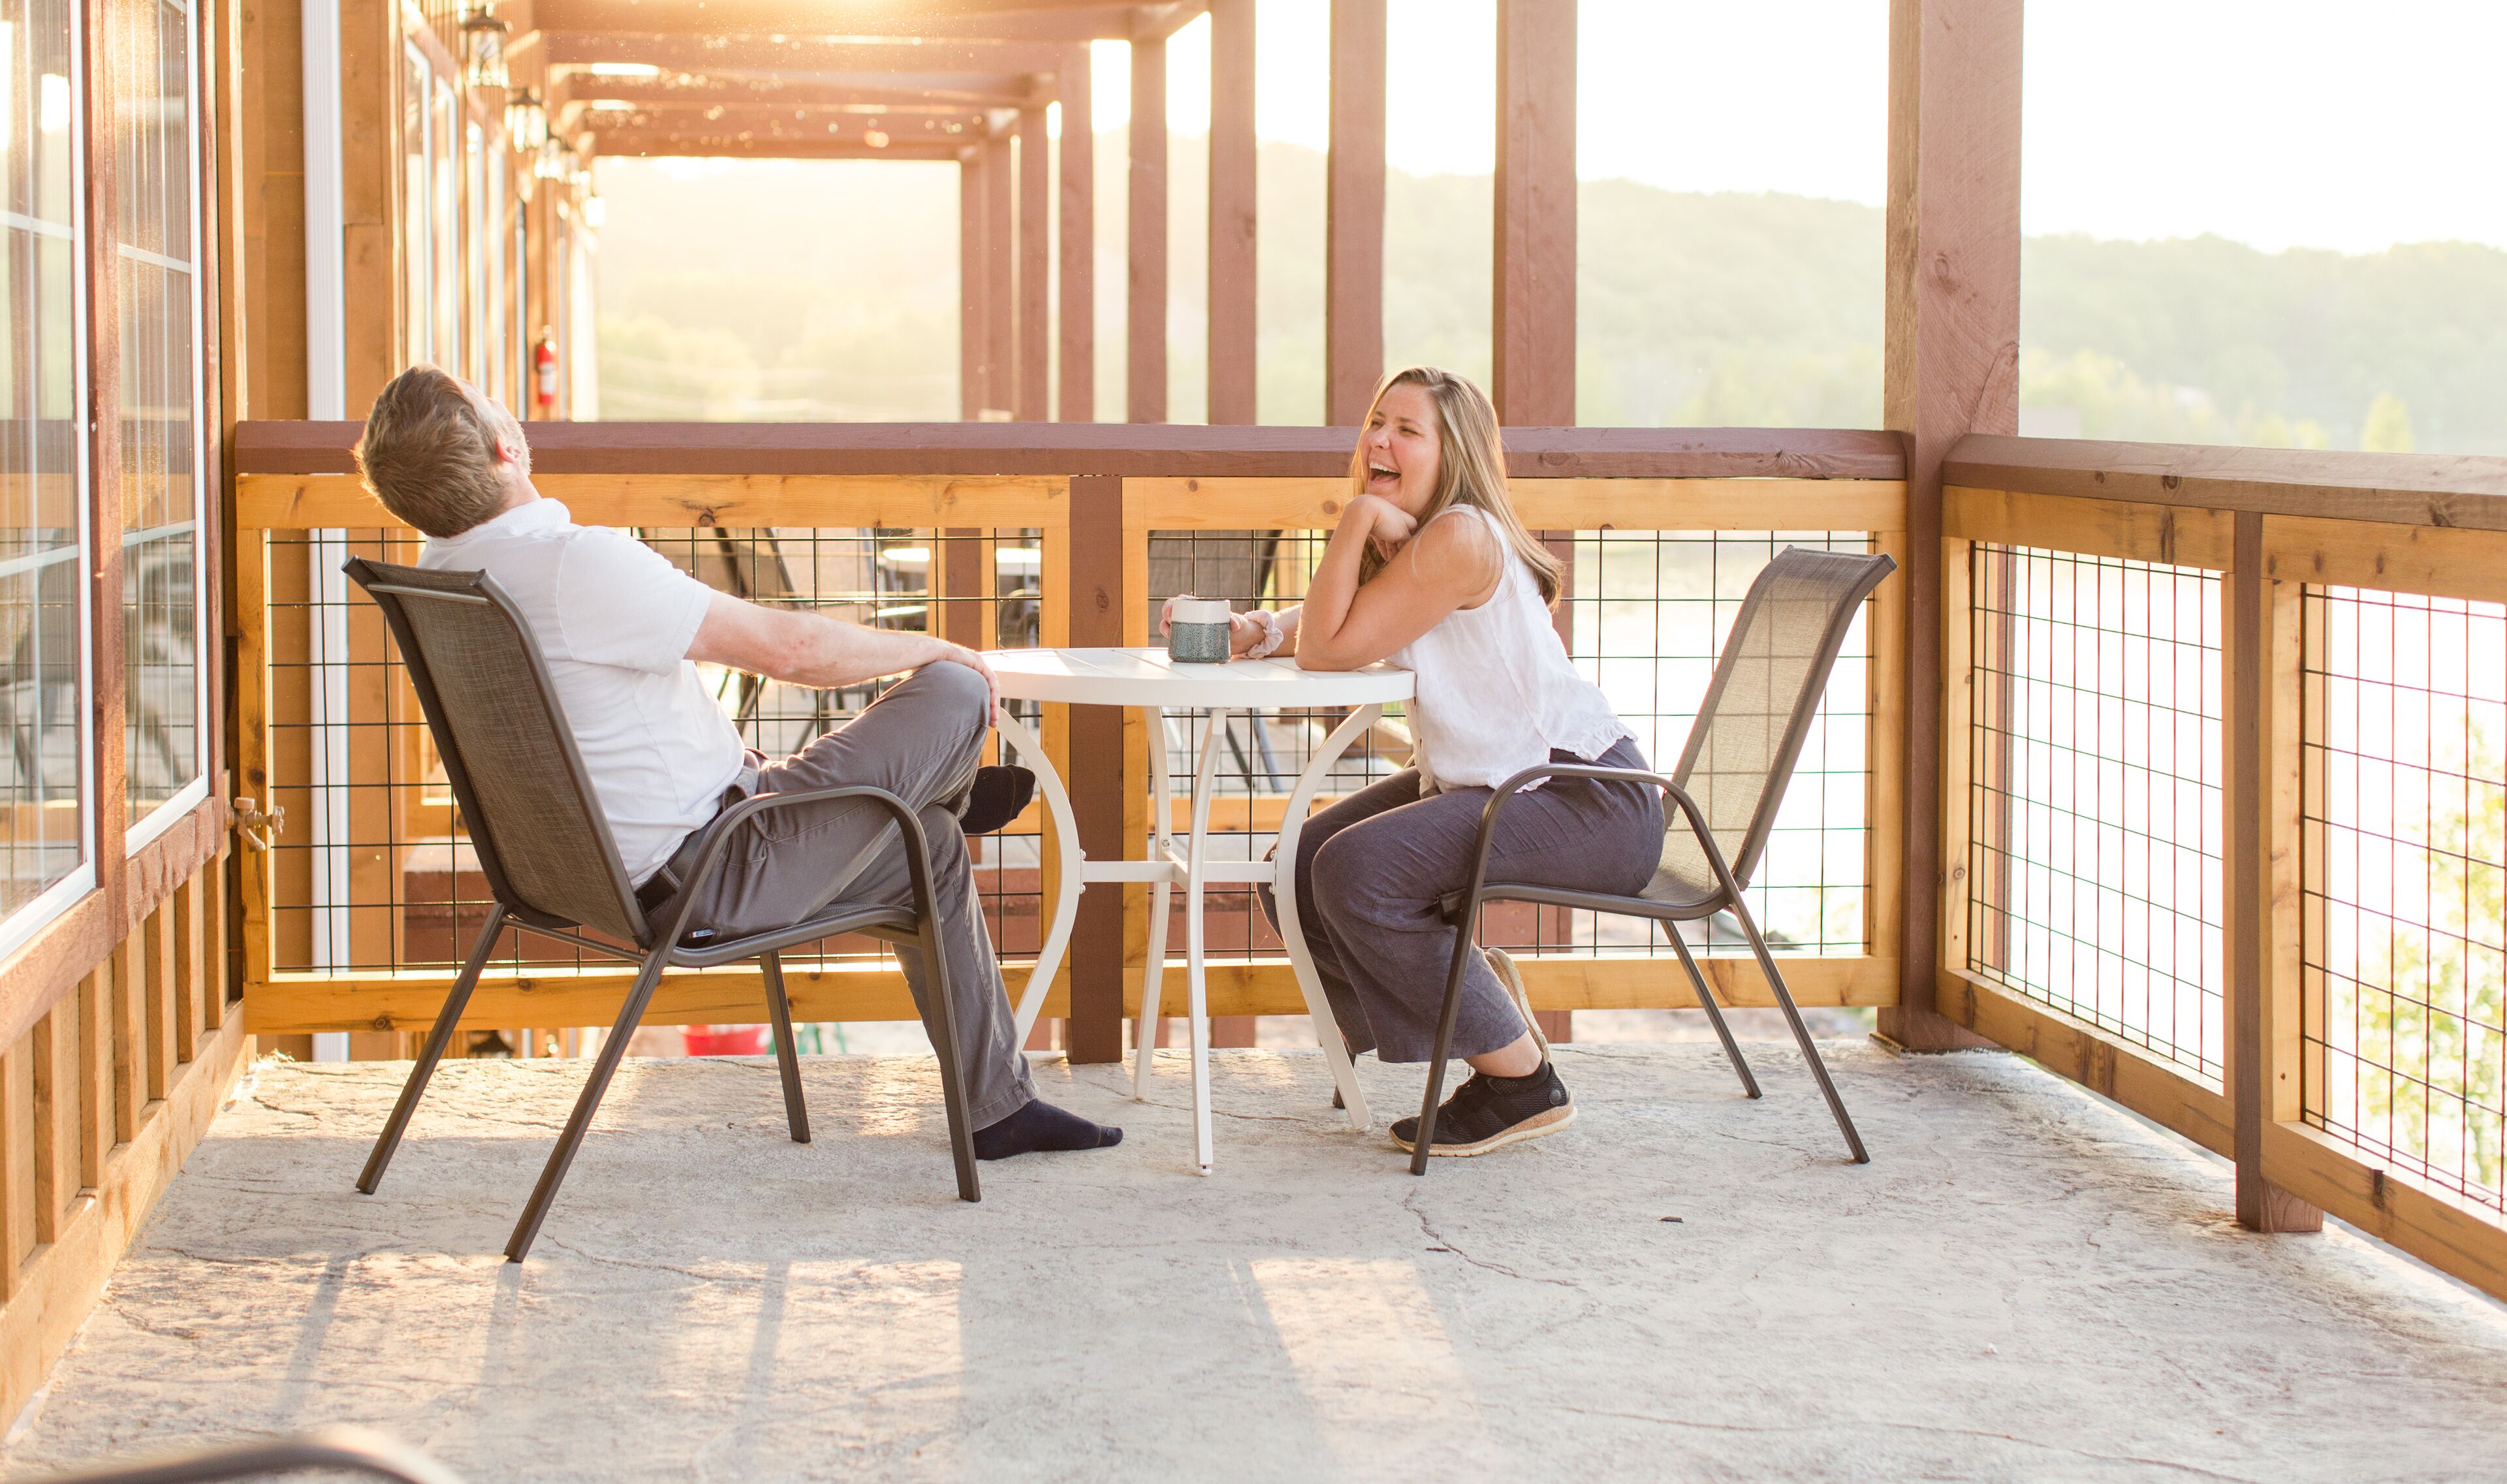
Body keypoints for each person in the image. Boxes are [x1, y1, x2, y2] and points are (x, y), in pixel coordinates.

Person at [355, 367, 1119, 1161]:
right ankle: (949, 795)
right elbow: (791, 650)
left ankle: (995, 1109)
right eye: (490, 405)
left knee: (928, 847)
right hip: (718, 867)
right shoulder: (573, 566)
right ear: (506, 448)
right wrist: (934, 647)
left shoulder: (446, 574)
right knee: (958, 691)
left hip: (600, 871)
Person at [1176, 367, 1661, 1158]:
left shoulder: (1460, 536)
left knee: (1357, 873)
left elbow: (1331, 651)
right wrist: (1259, 627)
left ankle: (1519, 1080)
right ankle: (1480, 1013)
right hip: (1508, 783)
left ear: (1454, 451)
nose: (1380, 440)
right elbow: (1341, 624)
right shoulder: (1432, 538)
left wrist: (1357, 513)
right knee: (1296, 864)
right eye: (1376, 421)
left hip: (1582, 798)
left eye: (1407, 429)